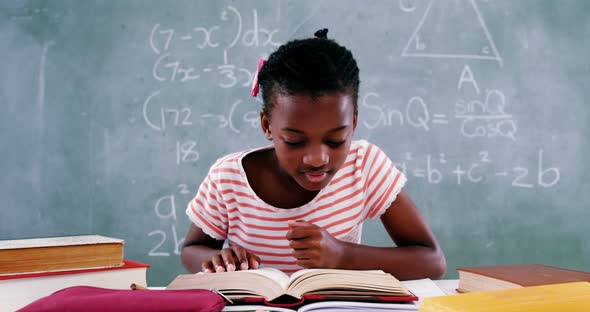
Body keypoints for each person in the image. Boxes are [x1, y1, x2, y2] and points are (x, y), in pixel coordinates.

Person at [181, 29, 446, 280]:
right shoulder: (227, 178)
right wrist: (217, 259)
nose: (317, 158)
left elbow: (432, 261)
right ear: (267, 126)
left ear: (353, 124)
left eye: (335, 140)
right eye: (295, 141)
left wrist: (344, 255)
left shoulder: (364, 165)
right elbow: (192, 249)